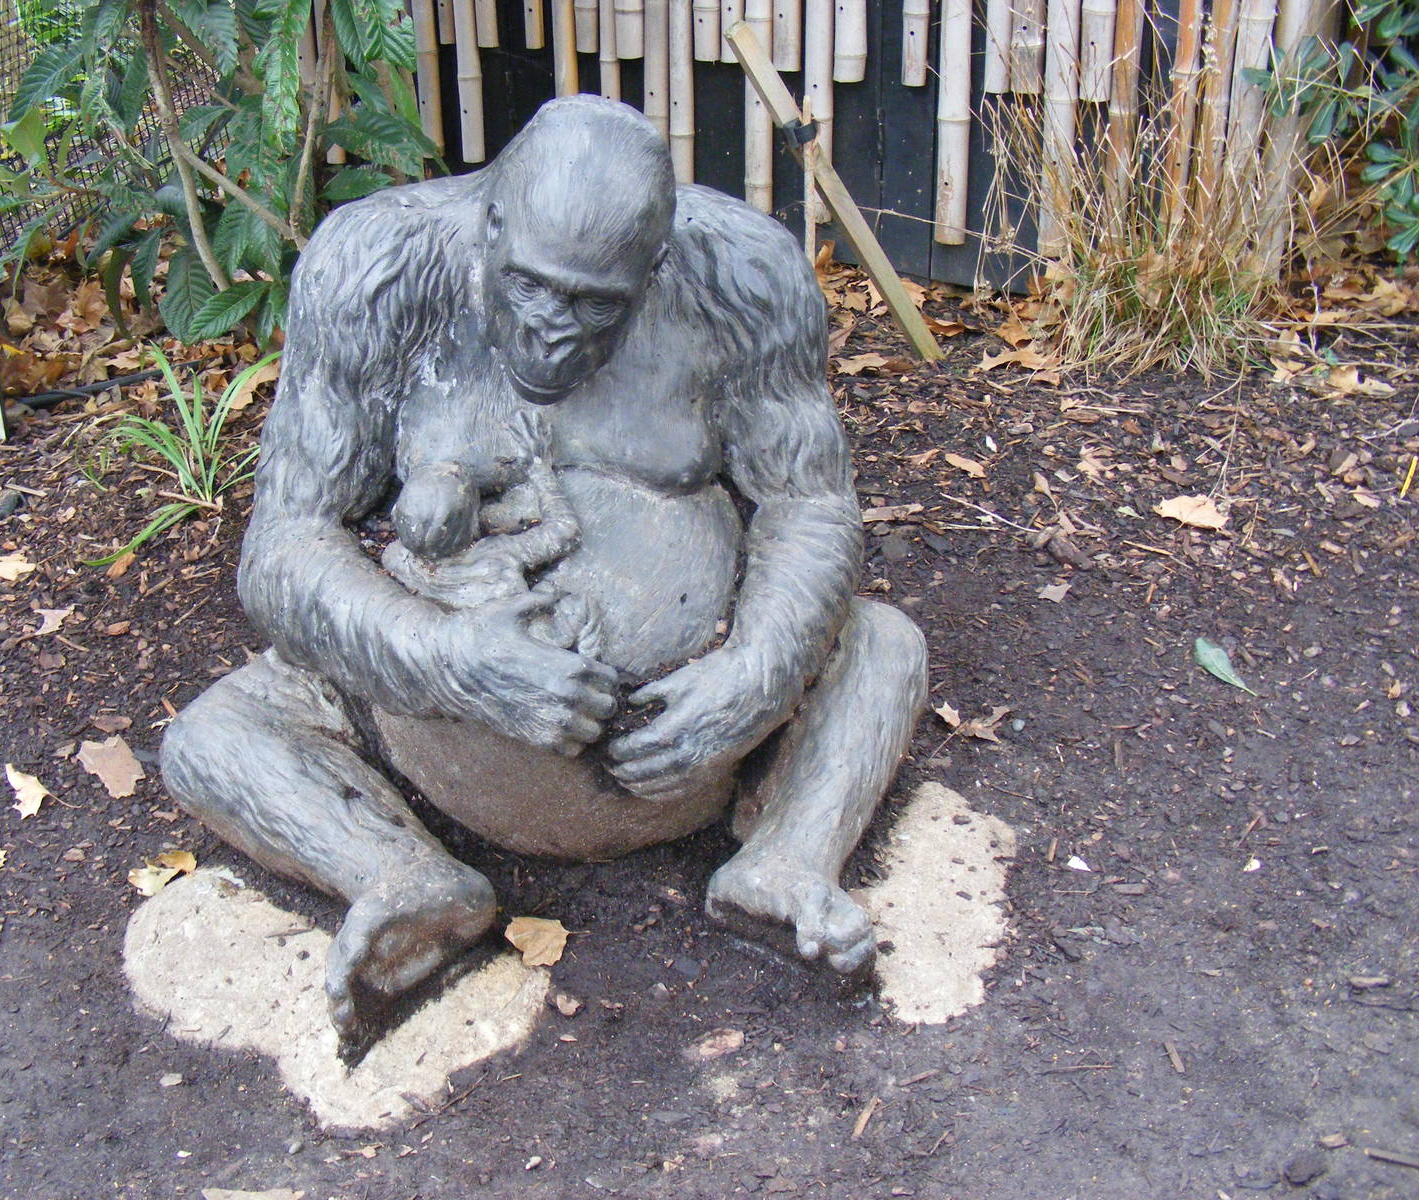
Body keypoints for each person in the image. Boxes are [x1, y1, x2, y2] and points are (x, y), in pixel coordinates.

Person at [161, 96, 927, 1053]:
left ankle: (784, 862)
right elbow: (283, 546)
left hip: (682, 745)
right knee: (212, 737)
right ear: (490, 226)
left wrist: (750, 679)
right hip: (437, 733)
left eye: (596, 303)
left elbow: (809, 503)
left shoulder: (743, 274)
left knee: (884, 648)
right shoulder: (376, 266)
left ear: (654, 267)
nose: (556, 333)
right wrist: (448, 659)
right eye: (532, 288)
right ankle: (404, 878)